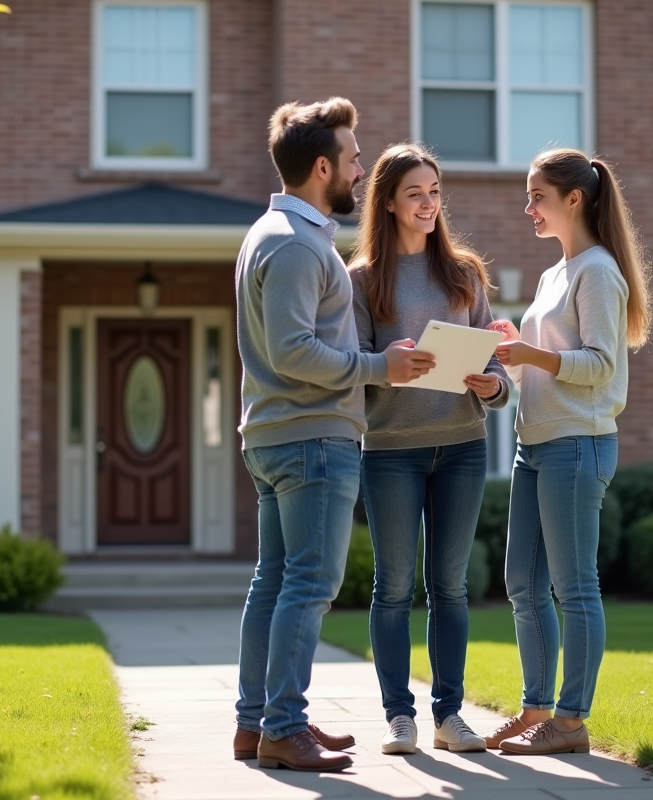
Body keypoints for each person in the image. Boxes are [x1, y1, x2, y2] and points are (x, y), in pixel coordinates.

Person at [233, 99, 436, 773]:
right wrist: (381, 367)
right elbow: (293, 351)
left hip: (279, 436)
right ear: (322, 167)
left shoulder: (273, 233)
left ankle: (258, 721)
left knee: (274, 582)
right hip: (312, 439)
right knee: (308, 585)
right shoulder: (296, 243)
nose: (360, 169)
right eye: (352, 158)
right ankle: (282, 725)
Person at [484, 148, 653, 755]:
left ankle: (571, 721)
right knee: (522, 583)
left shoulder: (598, 271)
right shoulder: (554, 274)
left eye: (538, 197)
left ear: (574, 199)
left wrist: (533, 354)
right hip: (535, 445)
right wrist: (514, 350)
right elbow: (547, 368)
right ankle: (537, 707)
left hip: (578, 445)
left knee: (574, 588)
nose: (528, 207)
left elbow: (602, 366)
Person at [347, 143, 510, 756]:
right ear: (388, 202)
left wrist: (494, 385)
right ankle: (399, 717)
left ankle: (449, 716)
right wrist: (391, 367)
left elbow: (495, 362)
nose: (428, 203)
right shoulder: (363, 279)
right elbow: (355, 366)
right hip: (390, 449)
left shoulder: (464, 272)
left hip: (462, 446)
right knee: (393, 586)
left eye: (434, 191)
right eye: (414, 193)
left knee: (450, 586)